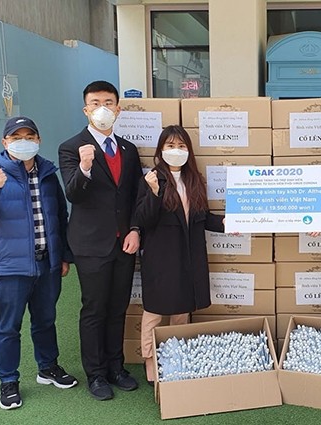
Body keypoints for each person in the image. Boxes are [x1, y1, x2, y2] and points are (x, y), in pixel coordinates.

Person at [0, 117, 77, 410]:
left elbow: (60, 218)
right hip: (11, 268)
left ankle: (48, 368)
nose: (24, 141)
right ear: (5, 142)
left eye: (30, 136)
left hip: (47, 265)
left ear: (38, 140)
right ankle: (8, 381)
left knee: (45, 321)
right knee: (8, 328)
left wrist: (64, 256)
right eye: (17, 137)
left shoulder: (47, 174)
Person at [58, 81, 143, 400]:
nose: (102, 108)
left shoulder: (128, 149)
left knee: (118, 307)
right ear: (86, 109)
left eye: (109, 102)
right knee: (94, 309)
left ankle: (115, 367)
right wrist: (85, 166)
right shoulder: (71, 147)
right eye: (95, 103)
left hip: (125, 243)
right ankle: (95, 375)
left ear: (118, 109)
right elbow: (72, 193)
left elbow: (136, 194)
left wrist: (136, 229)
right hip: (91, 244)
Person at [134, 125, 225, 385]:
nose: (176, 151)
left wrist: (228, 223)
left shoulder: (194, 180)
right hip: (161, 256)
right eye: (170, 146)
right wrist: (152, 193)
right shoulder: (152, 179)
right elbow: (143, 220)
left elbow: (203, 218)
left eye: (181, 146)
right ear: (160, 151)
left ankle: (175, 358)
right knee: (154, 311)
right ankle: (150, 362)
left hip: (190, 254)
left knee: (182, 310)